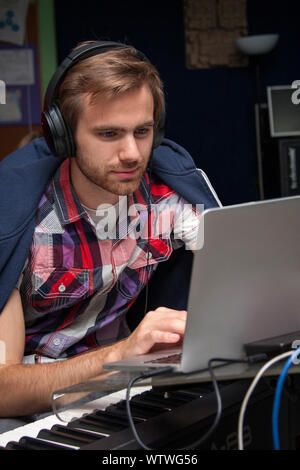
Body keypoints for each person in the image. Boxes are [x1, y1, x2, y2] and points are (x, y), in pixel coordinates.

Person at [0, 40, 220, 421]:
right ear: (63, 136)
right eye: (108, 134)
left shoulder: (171, 197)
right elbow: (3, 390)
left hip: (122, 389)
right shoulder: (19, 221)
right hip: (32, 399)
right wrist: (120, 354)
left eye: (143, 131)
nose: (133, 153)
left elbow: (245, 279)